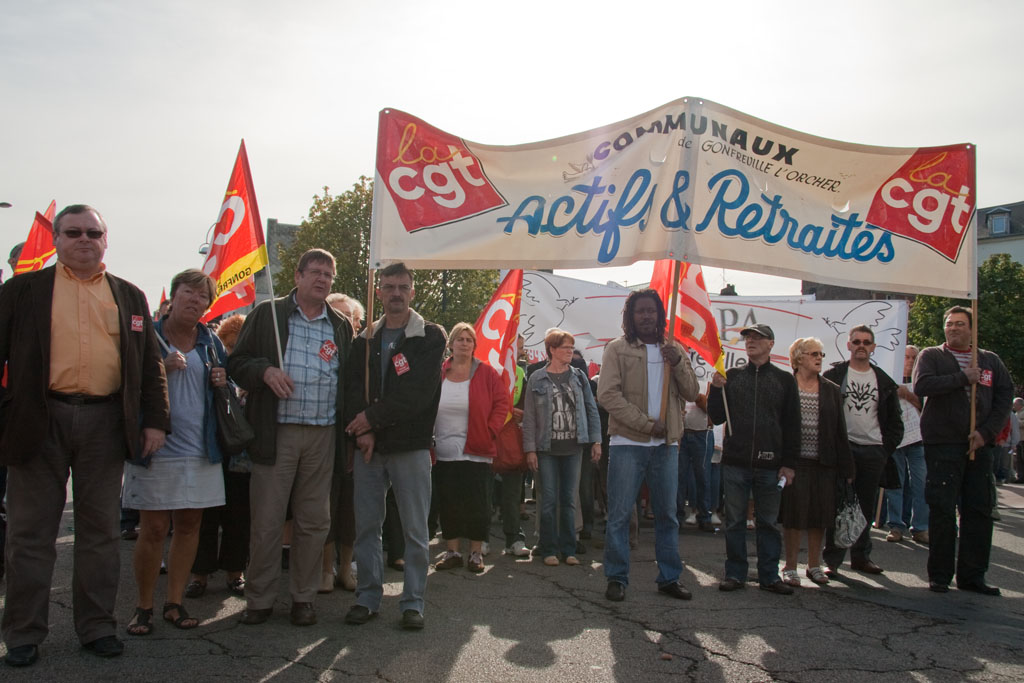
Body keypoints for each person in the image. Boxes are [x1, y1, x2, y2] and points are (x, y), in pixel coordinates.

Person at [0, 205, 170, 667]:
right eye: (73, 232)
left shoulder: (129, 297)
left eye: (93, 232)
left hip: (105, 423)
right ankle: (23, 633)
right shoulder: (22, 291)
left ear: (106, 239)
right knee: (30, 535)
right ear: (55, 239)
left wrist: (155, 421)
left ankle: (97, 627)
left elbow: (150, 366)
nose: (84, 239)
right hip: (39, 419)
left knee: (100, 533)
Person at [228, 249, 353, 627]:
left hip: (322, 434)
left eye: (328, 275)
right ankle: (260, 599)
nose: (322, 279)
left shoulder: (341, 325)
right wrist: (264, 371)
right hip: (276, 432)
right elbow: (237, 363)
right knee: (266, 521)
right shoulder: (268, 314)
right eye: (315, 272)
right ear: (297, 276)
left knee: (314, 522)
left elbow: (348, 382)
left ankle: (303, 597)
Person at [123, 269, 228, 635]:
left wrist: (221, 379)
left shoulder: (211, 341)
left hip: (200, 450)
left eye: (202, 297)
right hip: (157, 449)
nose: (195, 301)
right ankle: (143, 606)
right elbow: (120, 382)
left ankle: (174, 601)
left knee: (189, 526)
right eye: (189, 292)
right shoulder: (146, 337)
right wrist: (158, 370)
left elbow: (226, 384)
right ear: (173, 295)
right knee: (152, 529)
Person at [343, 262, 446, 631]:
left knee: (416, 531)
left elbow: (416, 395)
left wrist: (371, 420)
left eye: (403, 287)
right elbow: (354, 389)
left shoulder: (430, 337)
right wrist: (363, 430)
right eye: (389, 287)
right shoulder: (364, 339)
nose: (396, 293)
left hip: (411, 448)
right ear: (379, 292)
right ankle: (368, 597)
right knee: (368, 528)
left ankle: (413, 602)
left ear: (413, 292)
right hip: (370, 449)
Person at [597, 289, 699, 602]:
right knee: (619, 514)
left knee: (668, 515)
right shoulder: (617, 348)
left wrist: (678, 361)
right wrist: (645, 424)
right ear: (631, 316)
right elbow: (608, 395)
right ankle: (616, 578)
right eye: (640, 311)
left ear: (659, 314)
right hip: (628, 443)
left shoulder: (673, 349)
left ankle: (669, 577)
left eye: (651, 311)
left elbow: (693, 392)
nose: (646, 316)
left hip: (666, 447)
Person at [914, 305, 1013, 595]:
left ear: (971, 328)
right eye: (949, 323)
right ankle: (940, 575)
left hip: (979, 444)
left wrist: (987, 432)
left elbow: (1004, 397)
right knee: (943, 508)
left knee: (978, 510)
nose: (954, 328)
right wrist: (962, 377)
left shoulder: (990, 361)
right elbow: (922, 385)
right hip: (943, 443)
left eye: (959, 323)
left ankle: (972, 576)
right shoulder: (931, 356)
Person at [708, 323, 799, 595]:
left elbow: (793, 425)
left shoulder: (785, 380)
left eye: (758, 338)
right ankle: (735, 574)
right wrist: (714, 388)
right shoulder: (731, 376)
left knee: (768, 523)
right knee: (734, 521)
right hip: (735, 461)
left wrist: (789, 464)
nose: (751, 342)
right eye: (748, 338)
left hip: (771, 465)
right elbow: (717, 416)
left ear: (771, 344)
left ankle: (770, 576)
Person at [822, 325, 903, 577]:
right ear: (848, 345)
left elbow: (895, 422)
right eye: (856, 341)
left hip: (872, 450)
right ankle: (833, 561)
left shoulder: (883, 381)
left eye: (866, 342)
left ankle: (861, 557)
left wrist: (884, 449)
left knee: (865, 508)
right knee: (837, 506)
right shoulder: (834, 376)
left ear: (873, 347)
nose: (861, 346)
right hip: (842, 450)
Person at [433, 323, 508, 572]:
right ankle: (452, 551)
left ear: (475, 346)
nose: (464, 343)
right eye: (460, 339)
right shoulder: (439, 372)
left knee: (477, 504)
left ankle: (476, 553)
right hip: (444, 450)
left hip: (477, 448)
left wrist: (490, 431)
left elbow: (502, 403)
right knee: (450, 502)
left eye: (469, 340)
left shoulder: (486, 373)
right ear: (451, 344)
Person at [523, 329, 601, 568]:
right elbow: (529, 418)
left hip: (573, 448)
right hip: (546, 449)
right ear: (552, 350)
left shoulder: (579, 377)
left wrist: (596, 440)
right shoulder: (537, 378)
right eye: (566, 347)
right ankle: (548, 548)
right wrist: (530, 450)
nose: (571, 351)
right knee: (547, 501)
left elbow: (591, 409)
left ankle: (568, 549)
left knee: (568, 500)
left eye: (571, 347)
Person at [185, 313, 251, 599]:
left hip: (243, 456)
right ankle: (199, 574)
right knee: (205, 517)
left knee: (239, 517)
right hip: (211, 451)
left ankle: (235, 572)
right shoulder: (211, 366)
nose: (234, 350)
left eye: (240, 344)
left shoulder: (253, 370)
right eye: (230, 345)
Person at [780, 338, 854, 587]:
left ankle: (814, 565)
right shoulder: (786, 385)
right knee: (793, 516)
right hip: (794, 462)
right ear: (799, 358)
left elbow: (839, 431)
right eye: (814, 354)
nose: (819, 358)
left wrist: (847, 467)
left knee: (819, 516)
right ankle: (790, 567)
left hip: (825, 463)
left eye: (821, 353)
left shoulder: (831, 389)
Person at [320, 293, 364, 593]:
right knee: (325, 506)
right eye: (336, 314)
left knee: (351, 507)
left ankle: (346, 568)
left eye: (349, 316)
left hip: (356, 438)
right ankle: (325, 569)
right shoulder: (321, 348)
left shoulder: (366, 349)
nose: (343, 321)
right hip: (323, 436)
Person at [885, 345, 929, 545]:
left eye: (914, 357)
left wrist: (908, 395)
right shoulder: (888, 380)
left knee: (920, 484)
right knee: (896, 483)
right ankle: (895, 525)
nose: (910, 361)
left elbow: (927, 409)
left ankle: (920, 527)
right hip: (896, 441)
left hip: (918, 440)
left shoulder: (923, 382)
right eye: (906, 357)